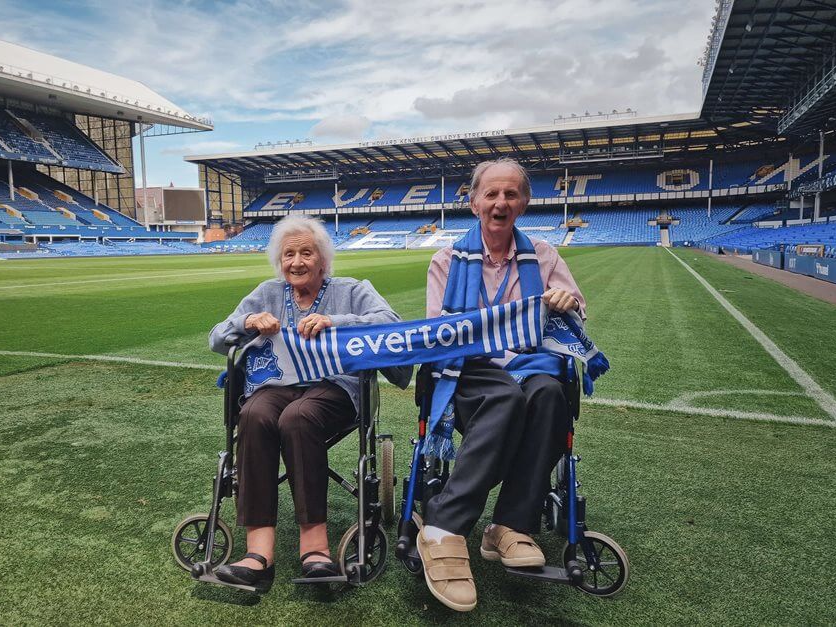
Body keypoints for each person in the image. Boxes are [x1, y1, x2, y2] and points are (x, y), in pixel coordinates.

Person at [416, 158, 586, 612]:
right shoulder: (447, 260)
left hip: (530, 364)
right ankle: (444, 526)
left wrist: (567, 301)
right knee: (506, 396)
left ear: (524, 203)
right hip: (470, 370)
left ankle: (508, 525)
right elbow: (440, 333)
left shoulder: (544, 256)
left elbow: (576, 311)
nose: (500, 202)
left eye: (511, 194)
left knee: (550, 394)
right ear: (474, 203)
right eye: (491, 193)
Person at [208, 214, 411, 591]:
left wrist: (336, 322)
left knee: (298, 417)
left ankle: (315, 547)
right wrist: (249, 321)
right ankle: (258, 553)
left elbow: (390, 323)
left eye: (306, 253)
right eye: (289, 254)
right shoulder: (267, 292)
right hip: (276, 386)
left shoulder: (352, 289)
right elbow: (218, 338)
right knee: (253, 413)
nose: (297, 262)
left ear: (323, 260)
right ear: (279, 261)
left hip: (335, 386)